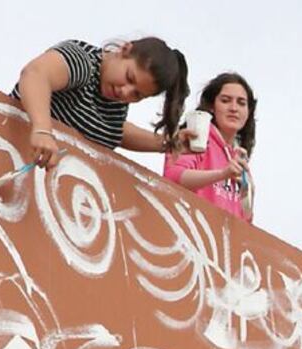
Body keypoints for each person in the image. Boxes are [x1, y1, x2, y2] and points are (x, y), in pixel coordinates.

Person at [13, 37, 190, 167]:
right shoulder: (84, 62)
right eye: (129, 77)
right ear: (125, 50)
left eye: (137, 95)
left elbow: (115, 130)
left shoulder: (116, 106)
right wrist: (42, 130)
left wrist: (167, 143)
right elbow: (36, 74)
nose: (125, 92)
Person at [164, 73, 257, 222]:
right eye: (225, 101)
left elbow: (245, 220)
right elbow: (172, 176)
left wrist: (249, 192)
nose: (234, 108)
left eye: (241, 103)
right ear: (212, 106)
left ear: (248, 111)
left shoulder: (239, 157)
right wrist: (222, 174)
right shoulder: (197, 137)